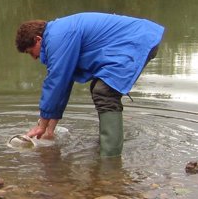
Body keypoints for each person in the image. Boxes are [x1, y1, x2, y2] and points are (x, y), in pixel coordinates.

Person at [15, 12, 164, 157]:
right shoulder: (57, 34)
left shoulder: (57, 37)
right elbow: (63, 86)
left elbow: (56, 82)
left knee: (104, 92)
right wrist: (49, 130)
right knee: (99, 88)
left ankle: (110, 157)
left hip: (136, 41)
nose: (34, 58)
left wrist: (41, 126)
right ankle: (106, 144)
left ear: (38, 39)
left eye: (30, 52)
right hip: (137, 38)